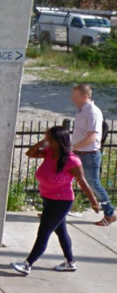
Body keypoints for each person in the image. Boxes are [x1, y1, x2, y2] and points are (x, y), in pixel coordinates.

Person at [11, 126, 100, 276]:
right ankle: (70, 262)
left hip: (62, 202)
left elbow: (83, 182)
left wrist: (94, 202)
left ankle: (27, 264)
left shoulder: (72, 160)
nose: (48, 141)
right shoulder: (49, 152)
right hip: (48, 199)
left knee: (43, 232)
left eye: (50, 138)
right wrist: (43, 141)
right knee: (62, 232)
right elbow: (29, 153)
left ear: (58, 141)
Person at [71, 84, 115, 226]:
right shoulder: (81, 111)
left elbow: (92, 137)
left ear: (85, 96)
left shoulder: (92, 112)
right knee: (65, 179)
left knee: (94, 184)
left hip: (89, 154)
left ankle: (109, 213)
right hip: (79, 152)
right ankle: (56, 209)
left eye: (75, 96)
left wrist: (71, 147)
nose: (73, 99)